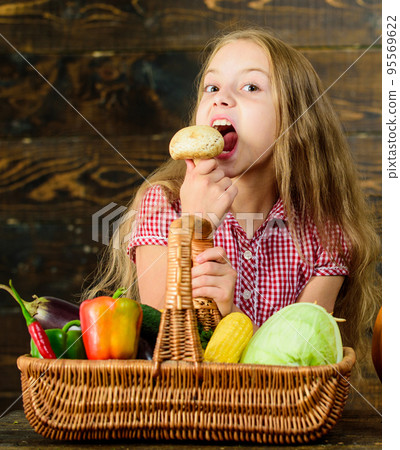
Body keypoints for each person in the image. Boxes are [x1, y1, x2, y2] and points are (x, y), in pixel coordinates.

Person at [83, 28, 380, 359]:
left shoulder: (324, 234)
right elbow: (162, 346)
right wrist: (195, 225)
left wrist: (231, 312)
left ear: (295, 120)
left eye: (251, 87)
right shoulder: (163, 204)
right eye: (212, 87)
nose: (220, 98)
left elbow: (305, 359)